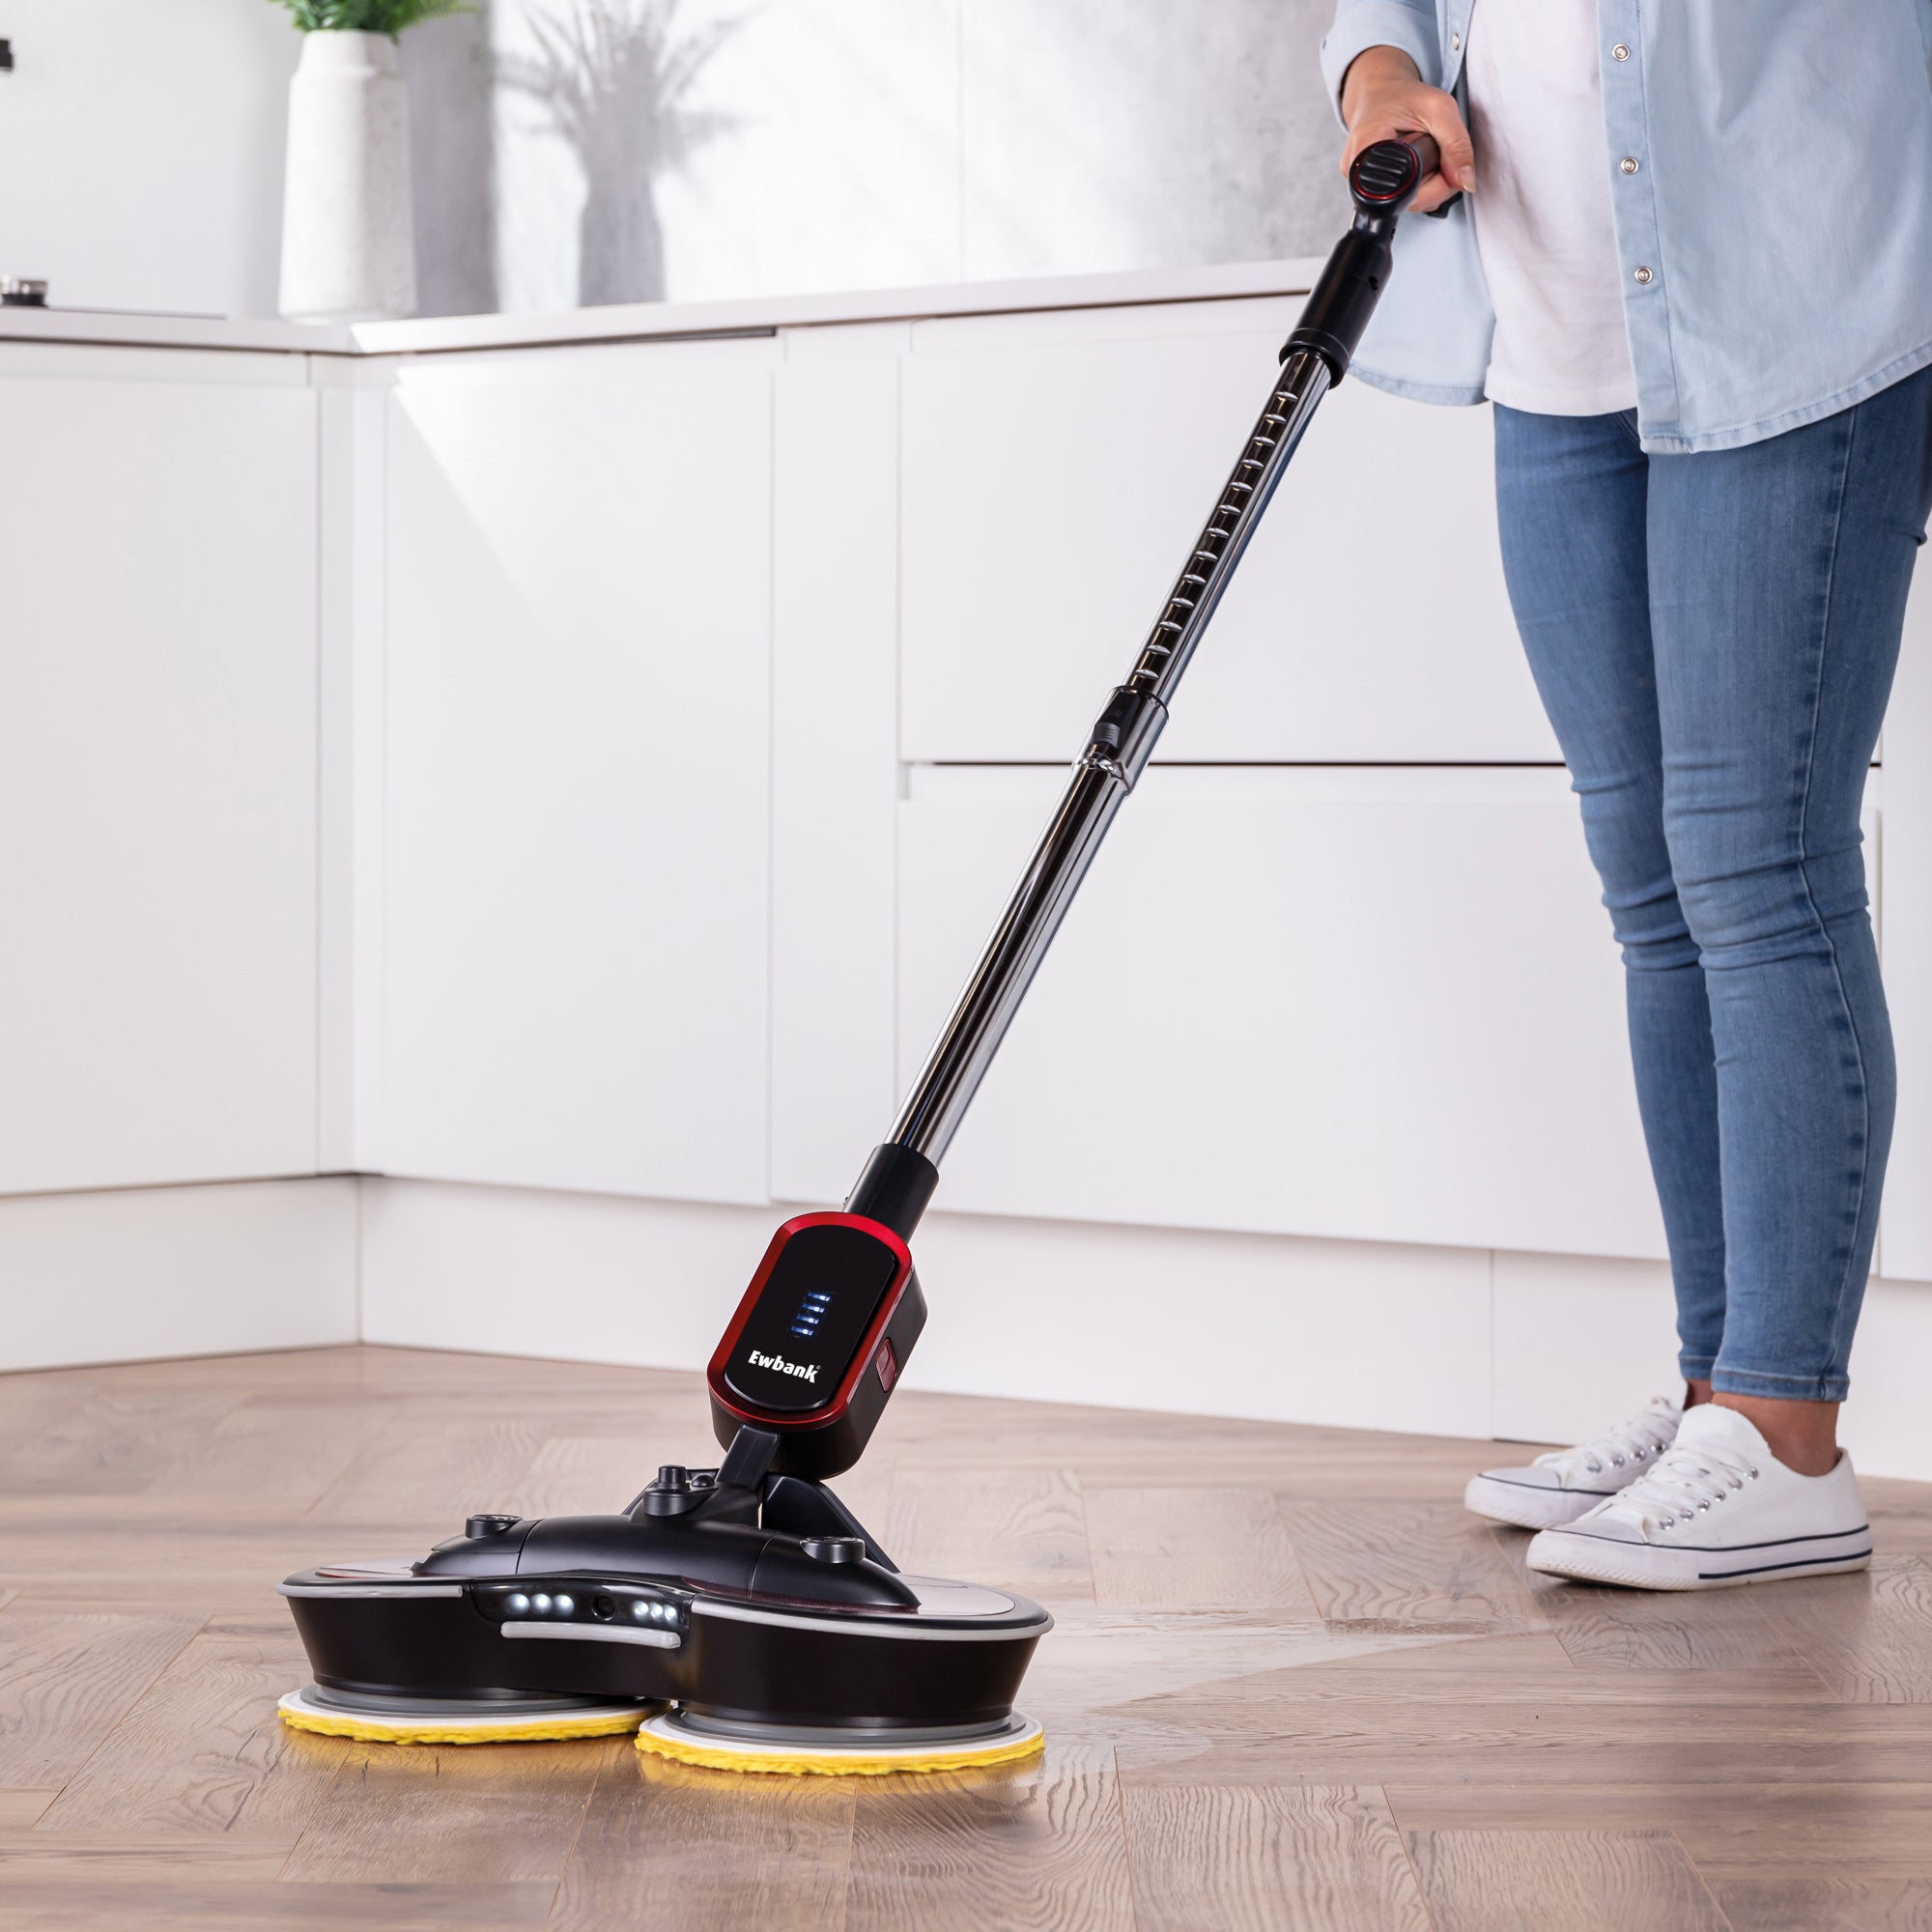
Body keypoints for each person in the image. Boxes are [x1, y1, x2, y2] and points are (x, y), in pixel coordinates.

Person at [1322, 0, 1932, 1588]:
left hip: (1798, 315)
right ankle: (1718, 1388)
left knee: (1758, 869)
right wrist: (1384, 78)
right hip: (1553, 339)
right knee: (1655, 887)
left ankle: (1789, 1428)